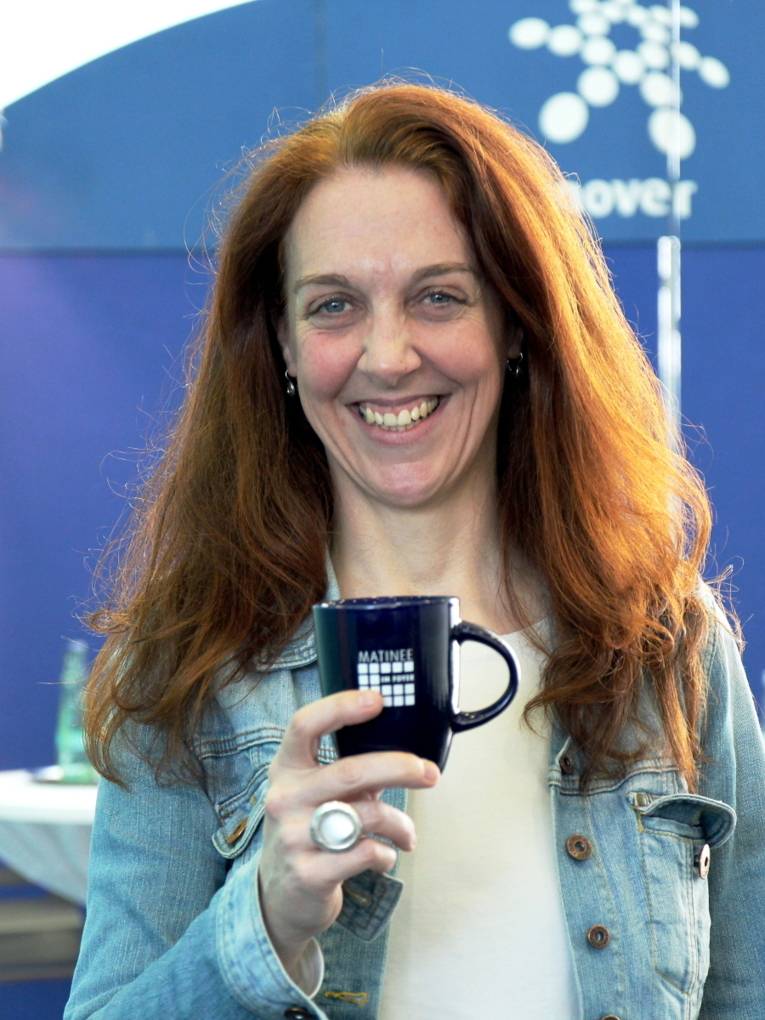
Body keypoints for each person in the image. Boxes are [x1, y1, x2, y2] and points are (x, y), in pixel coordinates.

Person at [65, 81, 765, 1020]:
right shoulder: (184, 667)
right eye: (333, 306)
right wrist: (264, 920)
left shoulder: (666, 643)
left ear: (515, 323)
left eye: (438, 297)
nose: (388, 356)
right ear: (281, 344)